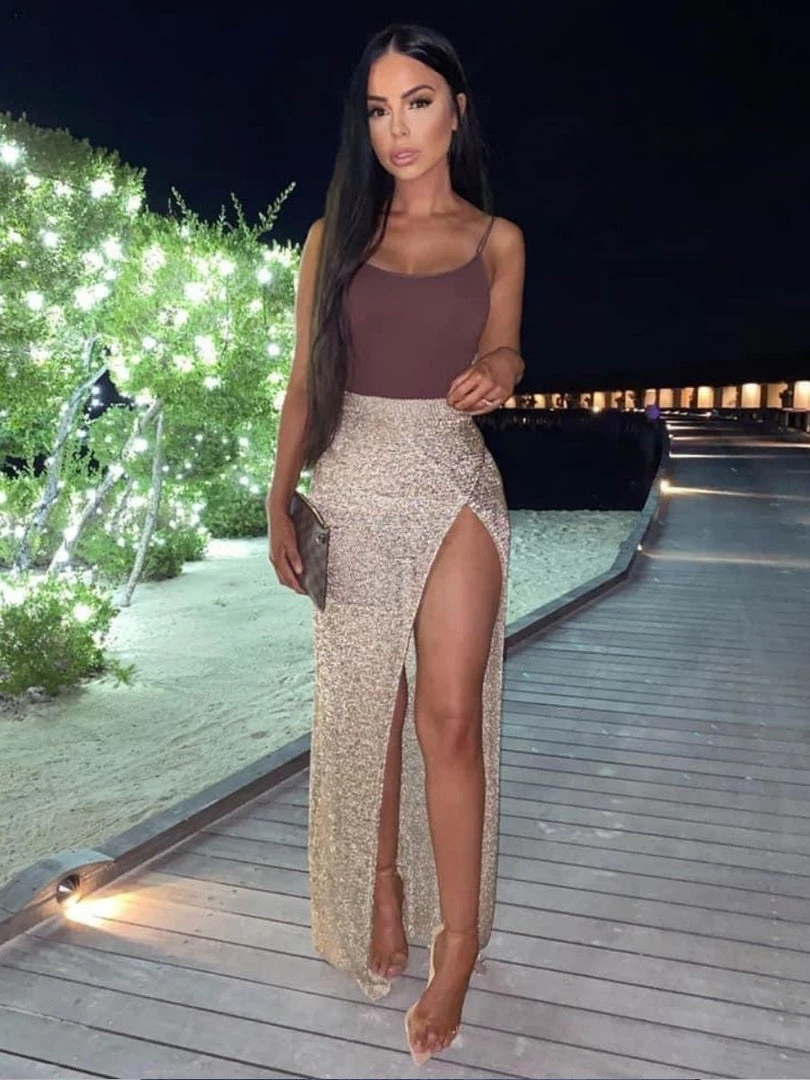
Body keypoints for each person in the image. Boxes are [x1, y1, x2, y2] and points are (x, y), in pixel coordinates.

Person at [267, 23, 525, 1065]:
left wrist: (502, 367)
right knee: (368, 706)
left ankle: (456, 942)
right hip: (354, 478)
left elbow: (504, 344)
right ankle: (381, 886)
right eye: (379, 109)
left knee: (449, 715)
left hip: (453, 474)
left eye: (418, 102)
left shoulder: (497, 238)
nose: (397, 129)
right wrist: (279, 498)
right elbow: (303, 380)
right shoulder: (333, 237)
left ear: (457, 111)